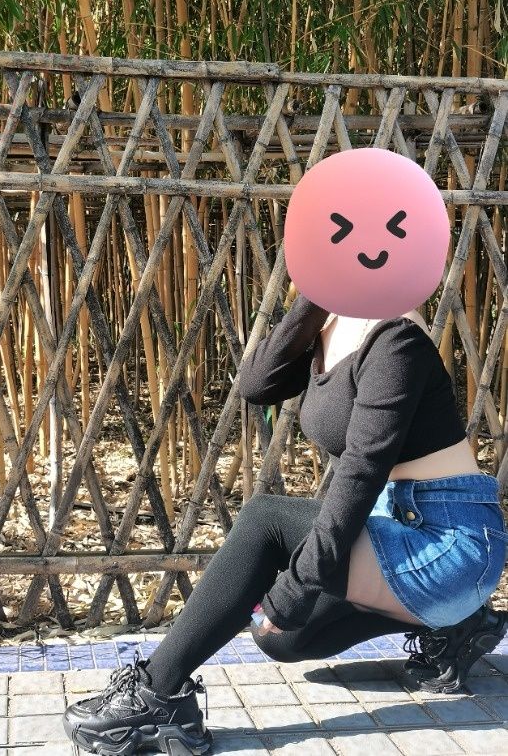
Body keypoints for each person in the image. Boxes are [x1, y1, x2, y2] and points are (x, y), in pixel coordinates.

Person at [63, 291, 508, 756]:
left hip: (448, 541)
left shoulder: (395, 334)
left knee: (266, 520)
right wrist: (312, 303)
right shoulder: (329, 319)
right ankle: (458, 623)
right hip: (394, 526)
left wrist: (298, 586)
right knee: (281, 637)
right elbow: (257, 385)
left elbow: (361, 472)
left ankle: (158, 693)